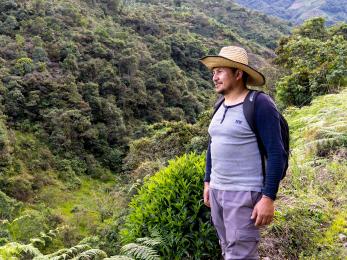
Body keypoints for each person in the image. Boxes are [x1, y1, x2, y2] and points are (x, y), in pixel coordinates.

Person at [199, 46, 288, 259]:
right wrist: (208, 182)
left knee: (241, 255)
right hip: (218, 192)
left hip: (243, 192)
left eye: (220, 71)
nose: (215, 77)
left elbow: (277, 153)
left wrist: (268, 197)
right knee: (228, 248)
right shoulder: (220, 104)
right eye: (214, 72)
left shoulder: (259, 104)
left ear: (238, 74)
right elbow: (214, 145)